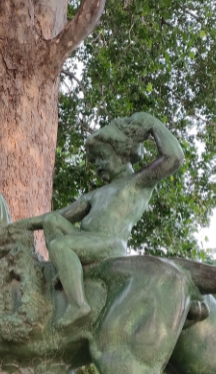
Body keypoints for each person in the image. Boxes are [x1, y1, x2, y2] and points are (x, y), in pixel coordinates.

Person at [13, 112, 185, 328]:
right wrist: (21, 226)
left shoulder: (137, 182)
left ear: (122, 153)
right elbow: (60, 216)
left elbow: (174, 158)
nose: (97, 165)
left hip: (109, 243)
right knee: (52, 221)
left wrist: (153, 124)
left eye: (102, 156)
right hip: (86, 240)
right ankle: (65, 270)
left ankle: (78, 305)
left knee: (61, 245)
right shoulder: (95, 194)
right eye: (94, 161)